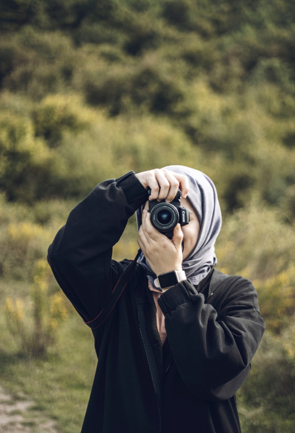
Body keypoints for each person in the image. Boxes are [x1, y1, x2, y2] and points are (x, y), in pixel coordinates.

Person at [48, 166, 265, 433]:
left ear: (208, 223)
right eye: (159, 213)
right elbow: (68, 255)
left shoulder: (235, 293)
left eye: (182, 216)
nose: (171, 226)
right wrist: (131, 188)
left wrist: (172, 280)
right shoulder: (119, 286)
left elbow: (216, 368)